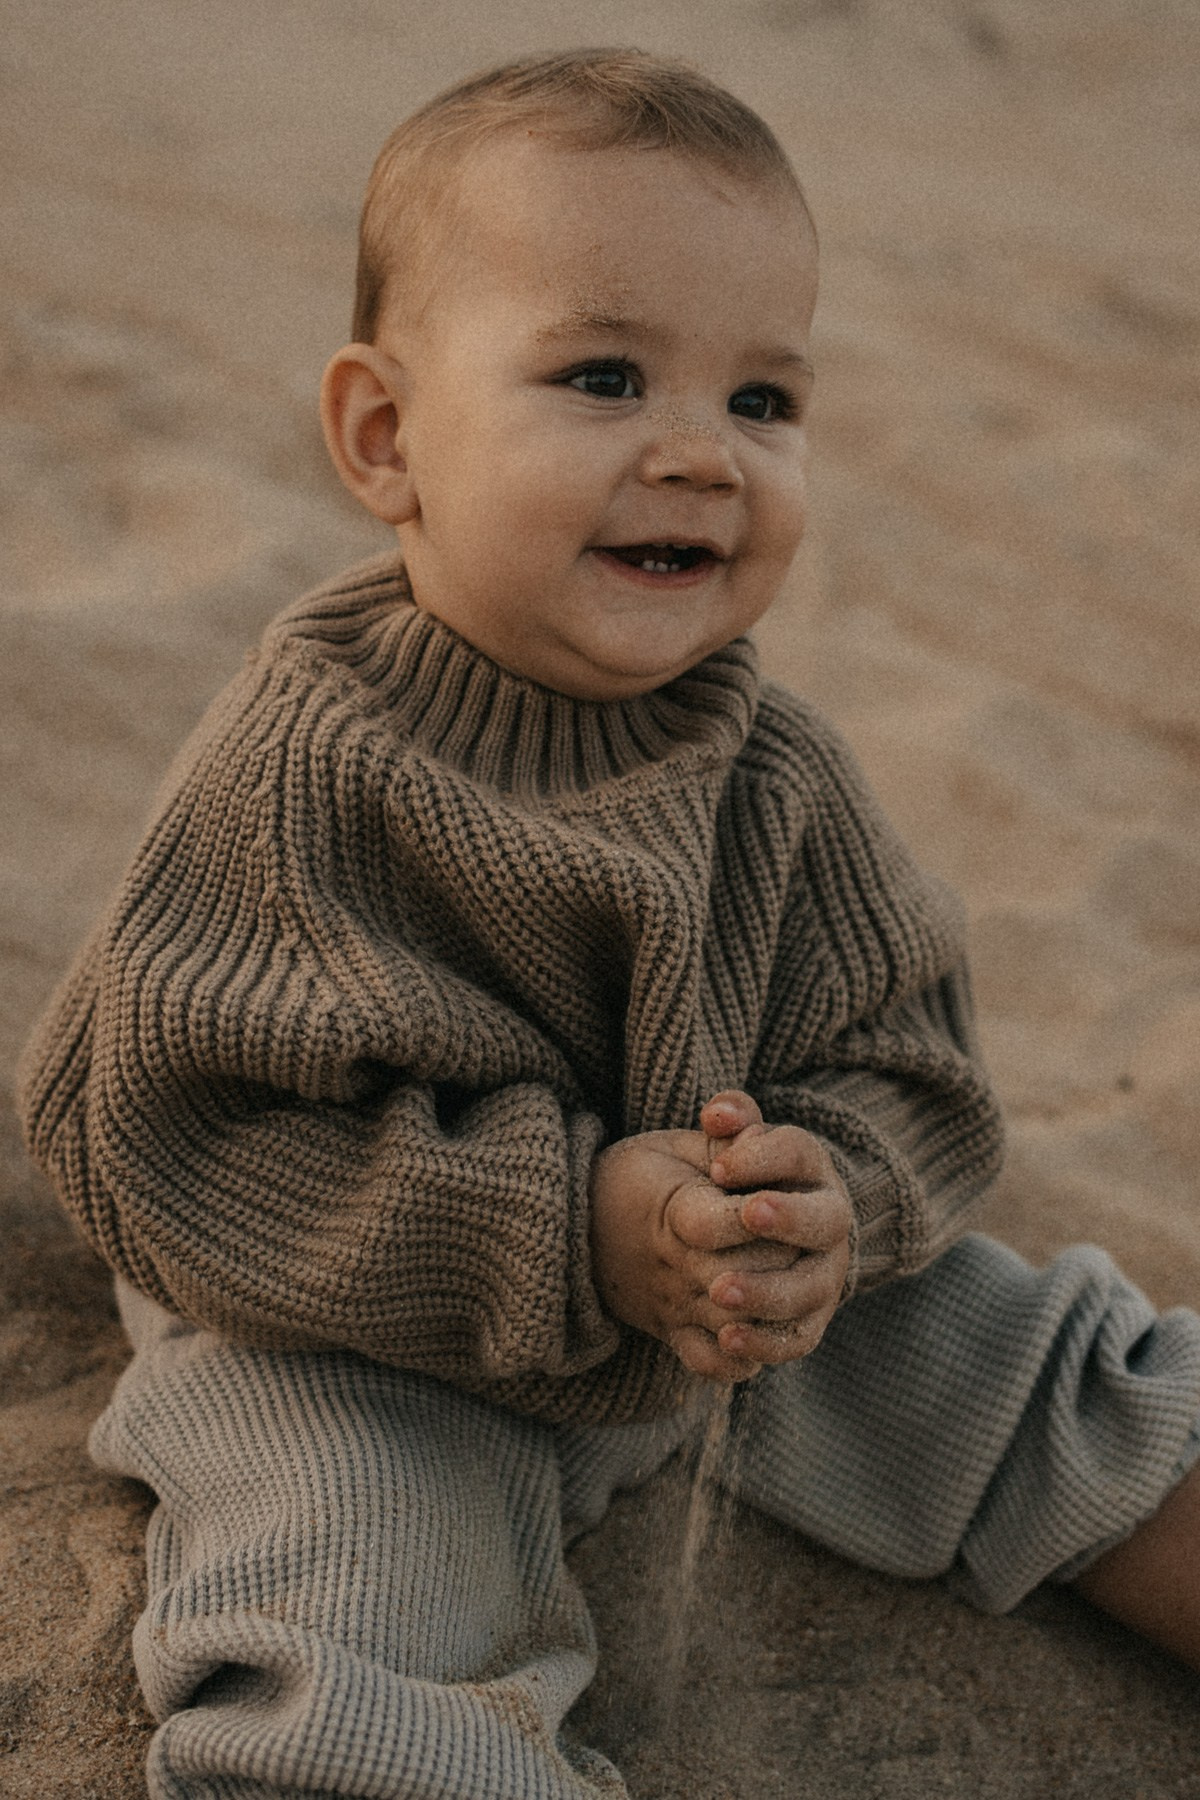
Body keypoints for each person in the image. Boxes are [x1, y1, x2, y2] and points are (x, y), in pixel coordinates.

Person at [18, 47, 1200, 1800]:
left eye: (764, 403)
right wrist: (566, 1223)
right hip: (363, 1324)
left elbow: (915, 1063)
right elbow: (154, 1141)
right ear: (386, 437)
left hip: (718, 1305)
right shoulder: (310, 758)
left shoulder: (771, 762)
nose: (699, 456)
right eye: (602, 376)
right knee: (339, 1580)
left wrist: (824, 1198)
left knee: (1061, 1377)